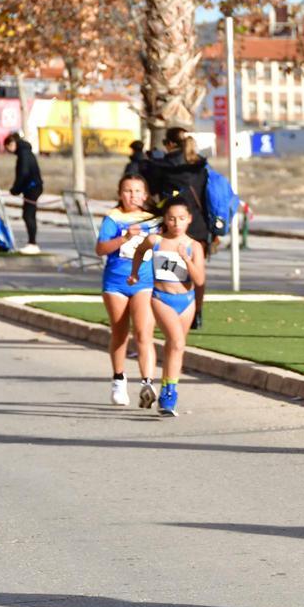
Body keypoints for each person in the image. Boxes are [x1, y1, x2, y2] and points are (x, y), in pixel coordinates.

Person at [126, 197, 205, 417]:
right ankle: (170, 395)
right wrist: (134, 273)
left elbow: (199, 280)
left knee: (175, 347)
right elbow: (140, 252)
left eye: (181, 218)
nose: (176, 223)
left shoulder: (194, 246)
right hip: (161, 298)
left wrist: (185, 259)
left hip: (186, 301)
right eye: (171, 218)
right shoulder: (155, 241)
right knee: (177, 342)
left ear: (189, 219)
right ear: (165, 220)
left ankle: (167, 389)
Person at [95, 174, 160, 408]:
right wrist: (124, 237)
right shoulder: (113, 219)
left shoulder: (153, 220)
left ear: (145, 194)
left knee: (143, 333)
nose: (132, 195)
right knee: (120, 333)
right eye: (127, 190)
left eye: (137, 191)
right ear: (119, 193)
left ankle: (148, 383)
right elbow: (100, 249)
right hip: (116, 283)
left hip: (144, 282)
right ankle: (119, 379)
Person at [141, 127, 211, 330]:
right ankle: (196, 311)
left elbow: (152, 190)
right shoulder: (200, 164)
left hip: (173, 225)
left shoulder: (165, 166)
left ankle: (164, 306)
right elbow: (206, 196)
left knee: (168, 269)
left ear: (169, 144)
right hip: (197, 224)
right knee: (197, 272)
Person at [3, 132, 42, 254]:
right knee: (28, 215)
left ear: (12, 143)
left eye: (8, 148)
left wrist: (16, 189)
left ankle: (33, 244)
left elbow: (23, 173)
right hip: (31, 187)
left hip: (32, 188)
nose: (9, 151)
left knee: (28, 215)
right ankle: (31, 242)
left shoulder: (23, 153)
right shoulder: (24, 151)